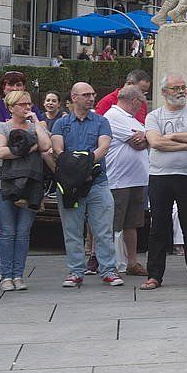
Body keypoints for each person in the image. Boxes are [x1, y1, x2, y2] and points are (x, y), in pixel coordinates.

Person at [142, 74, 187, 290]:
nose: (181, 91)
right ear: (164, 92)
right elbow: (155, 142)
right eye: (175, 88)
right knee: (158, 226)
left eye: (183, 87)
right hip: (160, 176)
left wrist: (171, 137)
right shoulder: (154, 116)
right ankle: (154, 275)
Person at [51, 82, 122, 287]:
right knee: (72, 230)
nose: (91, 98)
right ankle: (75, 271)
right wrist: (77, 166)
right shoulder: (62, 124)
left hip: (97, 182)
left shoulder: (101, 121)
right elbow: (57, 149)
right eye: (86, 95)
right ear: (74, 97)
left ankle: (108, 269)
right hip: (70, 185)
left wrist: (84, 163)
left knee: (103, 229)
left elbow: (104, 146)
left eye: (93, 94)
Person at [0, 90, 52, 291]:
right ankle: (6, 275)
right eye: (23, 105)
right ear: (11, 108)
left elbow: (46, 145)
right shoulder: (1, 126)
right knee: (8, 230)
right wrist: (29, 148)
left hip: (30, 185)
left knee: (23, 231)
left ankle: (18, 275)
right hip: (2, 184)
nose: (28, 108)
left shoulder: (34, 126)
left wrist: (36, 123)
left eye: (30, 104)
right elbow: (1, 151)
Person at [104, 85, 151, 277]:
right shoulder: (113, 116)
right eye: (140, 102)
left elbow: (147, 139)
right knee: (114, 224)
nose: (141, 106)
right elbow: (138, 143)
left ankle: (132, 262)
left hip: (136, 180)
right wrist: (147, 137)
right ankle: (113, 263)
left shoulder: (131, 118)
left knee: (132, 223)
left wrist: (147, 136)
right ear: (133, 101)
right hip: (118, 181)